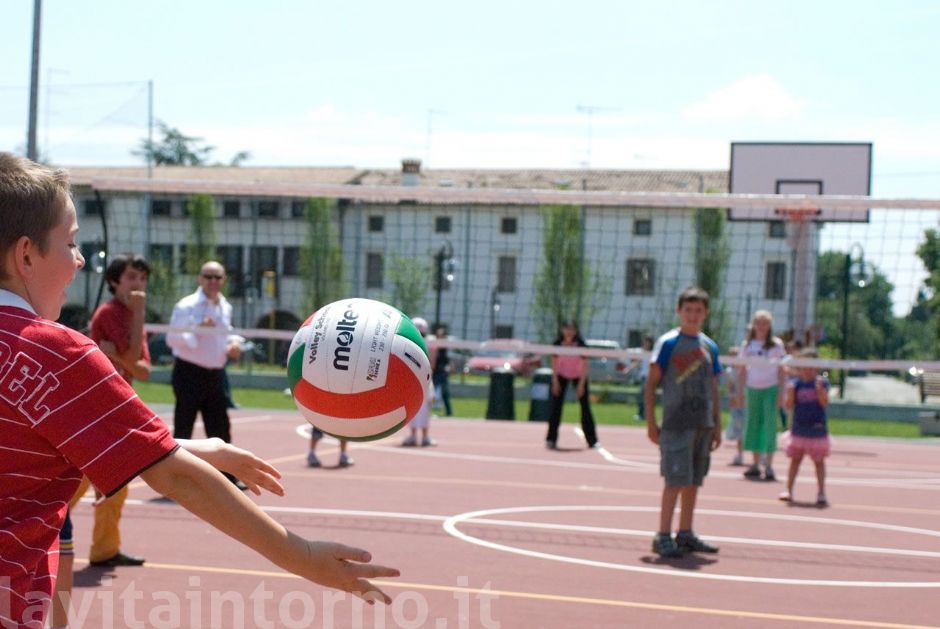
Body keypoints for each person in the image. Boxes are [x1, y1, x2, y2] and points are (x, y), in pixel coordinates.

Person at [0, 153, 398, 629]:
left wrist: (188, 447)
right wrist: (300, 554)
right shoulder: (56, 351)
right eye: (71, 243)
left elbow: (40, 432)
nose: (81, 259)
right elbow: (175, 478)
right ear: (26, 255)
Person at [65, 253, 152, 570]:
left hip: (116, 411)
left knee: (117, 483)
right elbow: (133, 356)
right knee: (75, 483)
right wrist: (138, 316)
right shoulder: (110, 313)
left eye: (142, 279)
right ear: (114, 282)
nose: (138, 285)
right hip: (93, 409)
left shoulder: (133, 316)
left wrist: (123, 356)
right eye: (131, 278)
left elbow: (142, 370)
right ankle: (34, 535)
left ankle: (104, 549)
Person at [645, 286, 722, 558]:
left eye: (698, 311)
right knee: (675, 480)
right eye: (688, 310)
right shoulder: (668, 343)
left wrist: (717, 424)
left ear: (706, 313)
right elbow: (651, 384)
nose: (693, 315)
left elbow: (714, 388)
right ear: (679, 311)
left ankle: (685, 532)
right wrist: (651, 422)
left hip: (702, 423)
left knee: (693, 480)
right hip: (676, 423)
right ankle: (663, 535)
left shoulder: (709, 346)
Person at [166, 260, 247, 488]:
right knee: (184, 428)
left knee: (220, 428)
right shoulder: (186, 305)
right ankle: (177, 480)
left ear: (224, 280)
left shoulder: (225, 306)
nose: (213, 281)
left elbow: (226, 334)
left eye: (217, 277)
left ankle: (228, 479)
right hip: (188, 373)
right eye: (208, 276)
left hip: (215, 375)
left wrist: (233, 344)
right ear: (199, 279)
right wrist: (198, 329)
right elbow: (172, 339)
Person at [738, 310, 787, 481]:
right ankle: (755, 464)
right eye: (758, 323)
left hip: (771, 389)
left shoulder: (776, 345)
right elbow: (742, 370)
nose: (761, 326)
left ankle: (769, 465)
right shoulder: (747, 345)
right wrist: (740, 392)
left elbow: (782, 370)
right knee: (753, 425)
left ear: (769, 326)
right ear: (753, 325)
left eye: (765, 323)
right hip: (752, 389)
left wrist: (782, 393)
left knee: (769, 426)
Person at [779, 349, 831, 506]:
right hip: (799, 429)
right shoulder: (795, 384)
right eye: (804, 366)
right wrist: (789, 394)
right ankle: (788, 489)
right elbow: (789, 406)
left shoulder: (822, 382)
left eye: (811, 366)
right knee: (795, 460)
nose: (808, 370)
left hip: (816, 429)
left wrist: (820, 391)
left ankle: (821, 492)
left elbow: (824, 403)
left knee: (819, 462)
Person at [546, 320, 599, 450]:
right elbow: (554, 364)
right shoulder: (557, 344)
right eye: (567, 329)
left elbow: (585, 366)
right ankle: (551, 439)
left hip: (579, 376)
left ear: (575, 331)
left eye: (572, 329)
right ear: (562, 330)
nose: (569, 332)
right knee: (555, 407)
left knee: (585, 407)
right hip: (561, 375)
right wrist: (555, 381)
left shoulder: (581, 345)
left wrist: (581, 384)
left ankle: (592, 440)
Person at [402, 317, 436, 447]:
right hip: (415, 380)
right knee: (414, 407)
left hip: (422, 379)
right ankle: (417, 436)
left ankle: (422, 436)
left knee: (421, 407)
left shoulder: (427, 343)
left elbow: (432, 363)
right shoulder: (408, 343)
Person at [724, 345, 746, 466]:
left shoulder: (747, 369)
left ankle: (761, 454)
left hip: (747, 403)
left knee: (751, 427)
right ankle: (740, 454)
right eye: (732, 356)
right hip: (737, 404)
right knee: (738, 429)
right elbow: (729, 387)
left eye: (736, 355)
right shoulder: (729, 371)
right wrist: (732, 398)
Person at [431, 322, 453, 416]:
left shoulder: (445, 347)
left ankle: (449, 412)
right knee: (431, 391)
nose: (439, 337)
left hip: (442, 372)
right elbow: (433, 359)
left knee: (444, 392)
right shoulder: (435, 346)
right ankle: (427, 411)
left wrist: (450, 367)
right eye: (438, 335)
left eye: (441, 336)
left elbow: (448, 359)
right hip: (435, 371)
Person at [634, 335, 654, 420]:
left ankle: (643, 414)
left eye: (647, 342)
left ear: (650, 343)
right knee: (642, 396)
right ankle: (641, 414)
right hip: (643, 376)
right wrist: (627, 369)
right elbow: (637, 363)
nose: (646, 344)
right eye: (644, 342)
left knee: (646, 396)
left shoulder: (653, 353)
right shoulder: (642, 352)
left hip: (649, 377)